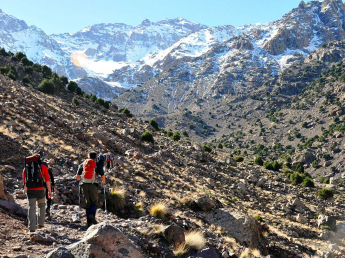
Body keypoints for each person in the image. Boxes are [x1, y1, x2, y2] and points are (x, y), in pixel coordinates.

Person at [23, 154, 52, 233]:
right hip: (40, 189)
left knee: (31, 207)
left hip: (30, 190)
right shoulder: (43, 166)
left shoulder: (27, 166)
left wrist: (26, 188)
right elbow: (47, 180)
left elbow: (24, 181)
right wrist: (49, 191)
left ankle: (31, 228)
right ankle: (41, 224)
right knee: (41, 205)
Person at [76, 152, 105, 227]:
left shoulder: (83, 164)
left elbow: (78, 176)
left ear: (88, 157)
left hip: (84, 185)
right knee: (94, 202)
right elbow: (102, 175)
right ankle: (92, 215)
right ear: (96, 158)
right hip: (93, 185)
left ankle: (89, 222)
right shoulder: (97, 164)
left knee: (87, 203)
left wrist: (81, 181)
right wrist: (104, 182)